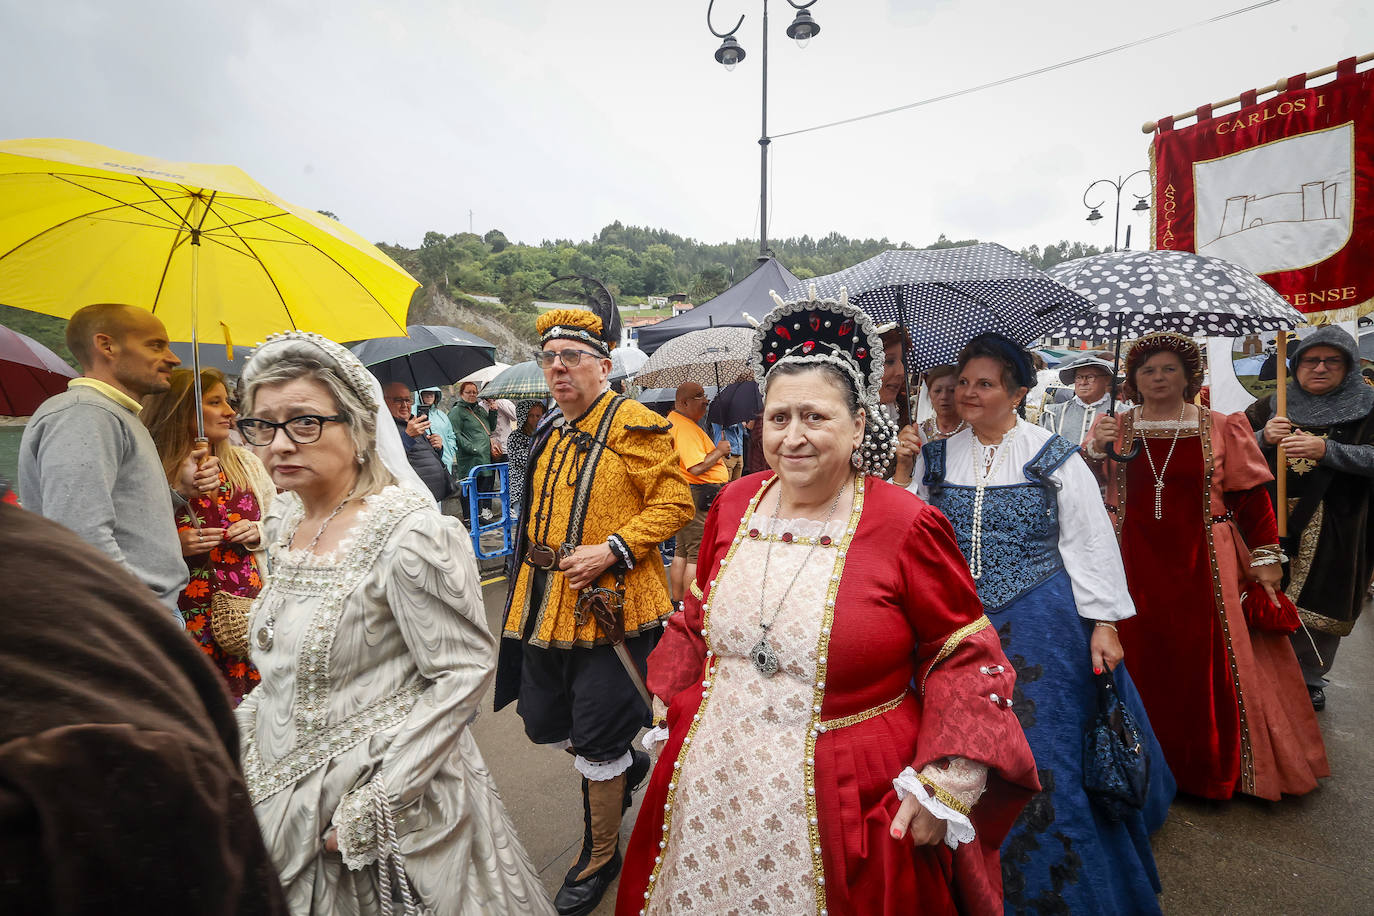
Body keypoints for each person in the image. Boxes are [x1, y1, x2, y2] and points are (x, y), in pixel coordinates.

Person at [619, 291, 1038, 916]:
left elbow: (965, 655)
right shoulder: (734, 504)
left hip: (848, 795)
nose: (793, 437)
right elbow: (699, 615)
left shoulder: (906, 524)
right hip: (712, 775)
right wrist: (670, 697)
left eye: (815, 417)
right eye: (779, 417)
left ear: (859, 424)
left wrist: (943, 782)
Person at [234, 331, 550, 915]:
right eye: (262, 424)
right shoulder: (283, 520)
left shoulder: (411, 535)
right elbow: (281, 668)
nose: (278, 443)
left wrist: (383, 799)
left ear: (357, 427)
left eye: (304, 422)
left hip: (397, 803)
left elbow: (462, 672)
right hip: (281, 794)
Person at [910, 333, 1174, 915]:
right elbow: (911, 536)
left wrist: (1104, 623)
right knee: (950, 744)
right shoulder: (932, 458)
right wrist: (904, 463)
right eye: (963, 383)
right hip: (956, 622)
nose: (968, 393)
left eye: (985, 384)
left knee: (1041, 747)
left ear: (1018, 392)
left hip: (1040, 619)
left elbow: (1087, 540)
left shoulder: (1053, 456)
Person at [0, 481, 287, 915]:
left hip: (164, 813)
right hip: (189, 616)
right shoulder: (42, 550)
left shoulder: (39, 554)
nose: (229, 413)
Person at [495, 305, 693, 916]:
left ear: (603, 366)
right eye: (550, 358)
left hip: (614, 608)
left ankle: (599, 855)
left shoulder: (636, 423)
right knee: (542, 719)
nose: (558, 367)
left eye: (572, 357)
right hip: (543, 601)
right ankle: (620, 764)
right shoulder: (548, 427)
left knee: (598, 735)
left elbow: (675, 501)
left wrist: (613, 548)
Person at [1088, 332, 1329, 801]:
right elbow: (1084, 489)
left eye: (1169, 369)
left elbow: (1250, 496)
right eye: (1147, 370)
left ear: (1188, 376)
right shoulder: (1113, 426)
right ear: (1133, 379)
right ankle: (1133, 763)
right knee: (1137, 654)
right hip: (1130, 559)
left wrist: (1265, 557)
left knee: (1204, 659)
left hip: (1205, 561)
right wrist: (1094, 451)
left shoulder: (1221, 425)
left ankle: (1206, 768)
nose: (1158, 378)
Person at [17, 303, 218, 616]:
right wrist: (136, 608)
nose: (173, 358)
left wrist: (178, 490)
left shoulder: (112, 415)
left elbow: (118, 514)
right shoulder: (86, 414)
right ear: (106, 345)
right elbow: (80, 535)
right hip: (126, 615)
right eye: (156, 345)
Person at [1245, 326, 1374, 711]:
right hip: (1268, 517)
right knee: (1264, 594)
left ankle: (1309, 677)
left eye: (1331, 360)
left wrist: (1328, 449)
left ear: (1348, 366)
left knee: (1322, 602)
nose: (1319, 368)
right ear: (1296, 365)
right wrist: (1261, 438)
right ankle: (1260, 670)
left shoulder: (1369, 407)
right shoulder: (1272, 405)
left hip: (1339, 523)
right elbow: (1230, 451)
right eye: (1311, 360)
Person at [142, 367, 276, 704]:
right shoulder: (152, 468)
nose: (230, 411)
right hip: (185, 613)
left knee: (258, 708)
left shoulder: (246, 463)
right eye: (215, 402)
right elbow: (134, 538)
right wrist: (175, 545)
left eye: (227, 401)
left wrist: (257, 531)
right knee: (199, 706)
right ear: (183, 409)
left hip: (248, 611)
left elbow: (284, 520)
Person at [666, 381, 730, 604]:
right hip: (698, 493)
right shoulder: (684, 427)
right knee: (695, 554)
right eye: (699, 396)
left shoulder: (681, 423)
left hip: (691, 492)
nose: (706, 401)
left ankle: (678, 604)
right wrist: (719, 451)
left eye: (705, 396)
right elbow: (696, 467)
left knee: (682, 552)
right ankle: (689, 608)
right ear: (684, 402)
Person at [384, 380, 453, 504]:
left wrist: (437, 447)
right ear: (386, 402)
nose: (405, 405)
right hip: (414, 499)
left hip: (433, 494)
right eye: (398, 400)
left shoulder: (414, 422)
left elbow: (427, 454)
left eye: (407, 400)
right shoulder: (384, 427)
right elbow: (387, 462)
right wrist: (408, 437)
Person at [1039, 351, 1118, 447]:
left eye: (1090, 377)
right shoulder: (1054, 414)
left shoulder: (1122, 412)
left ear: (1107, 380)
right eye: (1079, 377)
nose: (1083, 382)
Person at [449, 380, 495, 483]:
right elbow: (456, 434)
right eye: (468, 392)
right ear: (461, 394)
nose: (472, 394)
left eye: (474, 392)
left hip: (485, 458)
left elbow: (491, 427)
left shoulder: (480, 410)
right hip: (471, 460)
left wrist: (493, 412)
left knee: (486, 493)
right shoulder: (457, 411)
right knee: (471, 494)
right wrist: (473, 449)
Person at [505, 399, 546, 513]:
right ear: (524, 417)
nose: (535, 419)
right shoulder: (515, 437)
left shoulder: (545, 435)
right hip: (522, 490)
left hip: (542, 488)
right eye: (531, 416)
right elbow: (523, 460)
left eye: (538, 415)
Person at [919, 365, 965, 442]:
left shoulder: (975, 431)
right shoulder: (921, 432)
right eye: (937, 391)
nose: (944, 396)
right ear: (929, 393)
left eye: (951, 390)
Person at [417, 386, 457, 471]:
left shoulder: (442, 415)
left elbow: (451, 436)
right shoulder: (413, 414)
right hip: (425, 466)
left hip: (445, 464)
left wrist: (450, 453)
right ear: (420, 394)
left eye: (432, 392)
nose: (429, 395)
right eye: (426, 392)